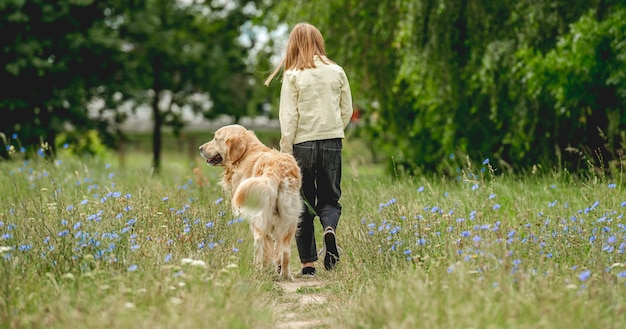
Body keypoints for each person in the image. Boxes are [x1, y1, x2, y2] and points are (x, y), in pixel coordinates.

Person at [264, 22, 353, 276]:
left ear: (293, 44)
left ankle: (308, 264)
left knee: (300, 203)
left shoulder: (293, 75)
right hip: (332, 142)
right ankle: (329, 230)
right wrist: (334, 129)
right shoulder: (337, 71)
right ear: (319, 42)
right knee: (330, 199)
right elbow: (346, 109)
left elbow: (288, 118)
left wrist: (285, 151)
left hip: (301, 145)